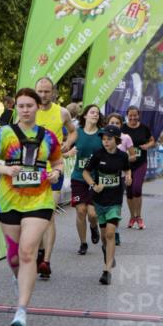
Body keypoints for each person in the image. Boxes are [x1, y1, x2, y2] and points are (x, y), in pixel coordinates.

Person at [0, 87, 65, 326]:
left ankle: (21, 310)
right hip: (10, 201)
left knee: (28, 251)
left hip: (40, 200)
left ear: (38, 107)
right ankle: (18, 276)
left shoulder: (48, 136)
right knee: (15, 257)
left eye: (30, 105)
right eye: (21, 106)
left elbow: (58, 161)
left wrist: (56, 172)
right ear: (15, 108)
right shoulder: (5, 134)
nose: (26, 110)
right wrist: (6, 170)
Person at [30, 76, 77, 279]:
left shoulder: (62, 112)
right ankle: (39, 252)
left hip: (54, 169)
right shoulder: (27, 110)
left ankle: (46, 261)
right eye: (40, 91)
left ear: (54, 92)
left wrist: (67, 143)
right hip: (32, 171)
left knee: (48, 215)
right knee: (34, 217)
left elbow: (73, 132)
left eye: (47, 91)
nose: (43, 95)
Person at [82, 125, 131, 285]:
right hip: (99, 199)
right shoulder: (97, 154)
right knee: (104, 236)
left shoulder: (122, 156)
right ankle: (107, 252)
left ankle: (106, 270)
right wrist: (94, 185)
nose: (106, 142)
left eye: (109, 139)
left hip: (115, 199)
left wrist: (128, 178)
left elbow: (127, 170)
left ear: (116, 140)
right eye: (103, 139)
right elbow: (85, 172)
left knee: (110, 233)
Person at [66, 104, 104, 255]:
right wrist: (68, 152)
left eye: (97, 113)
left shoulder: (102, 135)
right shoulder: (77, 133)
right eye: (92, 112)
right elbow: (62, 152)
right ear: (85, 116)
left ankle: (94, 227)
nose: (95, 115)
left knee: (93, 214)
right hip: (78, 177)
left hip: (96, 178)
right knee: (81, 211)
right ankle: (83, 243)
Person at [121, 106, 155, 229]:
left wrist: (147, 145)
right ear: (127, 115)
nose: (133, 117)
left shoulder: (144, 128)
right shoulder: (123, 128)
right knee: (129, 192)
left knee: (136, 188)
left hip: (140, 162)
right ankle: (132, 217)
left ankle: (139, 217)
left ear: (138, 115)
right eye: (130, 115)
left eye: (135, 115)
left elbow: (152, 140)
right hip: (127, 163)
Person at [105, 113, 133, 247]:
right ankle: (105, 228)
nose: (114, 125)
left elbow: (132, 156)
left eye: (117, 123)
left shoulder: (126, 138)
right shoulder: (103, 137)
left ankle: (114, 231)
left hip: (119, 177)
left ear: (121, 125)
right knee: (103, 205)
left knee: (116, 205)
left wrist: (124, 160)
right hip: (103, 177)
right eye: (112, 122)